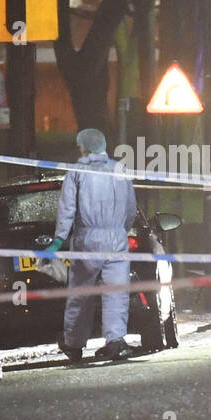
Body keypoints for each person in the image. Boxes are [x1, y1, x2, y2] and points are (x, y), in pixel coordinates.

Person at [48, 128, 137, 362]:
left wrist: (59, 239)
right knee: (116, 292)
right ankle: (116, 341)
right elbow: (130, 207)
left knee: (81, 293)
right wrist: (122, 229)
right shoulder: (120, 169)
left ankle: (74, 343)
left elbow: (67, 208)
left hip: (88, 239)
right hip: (116, 237)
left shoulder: (77, 171)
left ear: (84, 147)